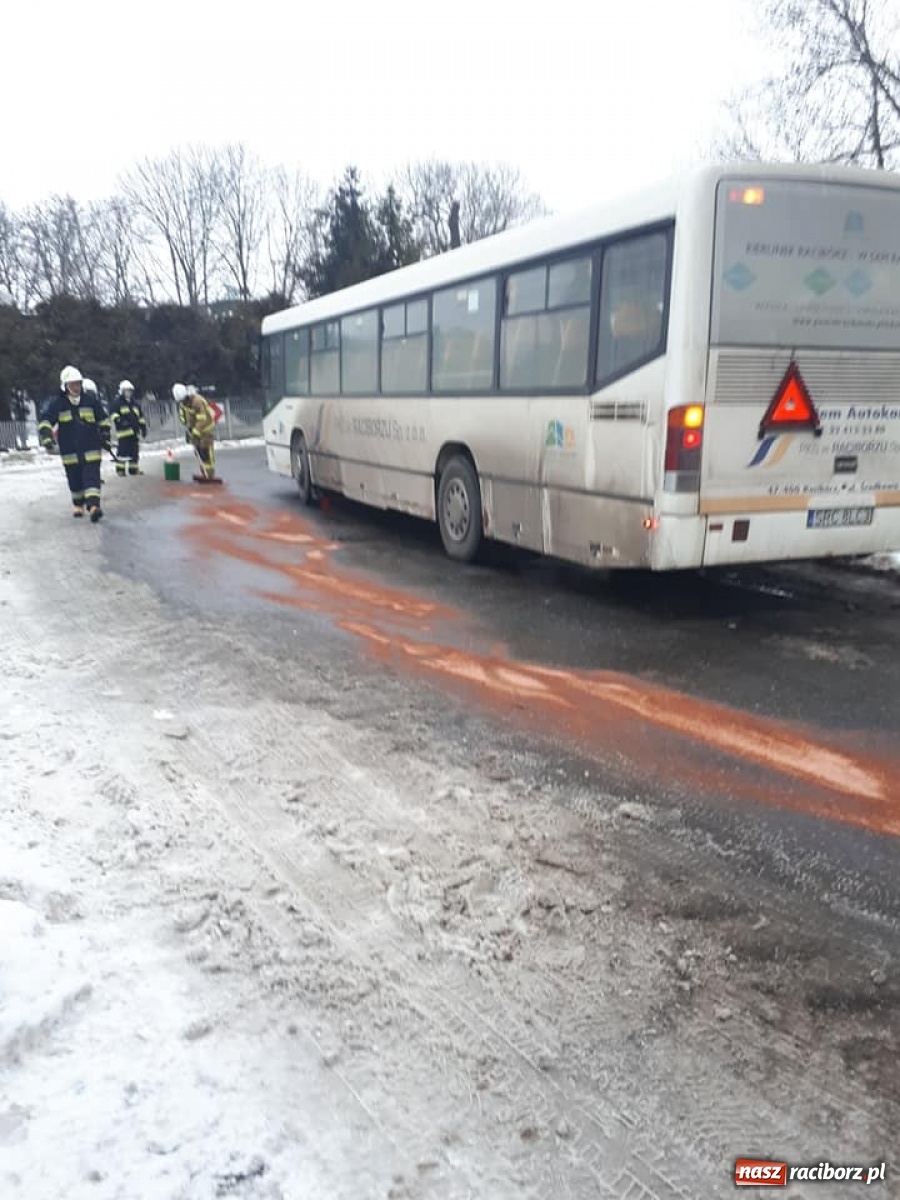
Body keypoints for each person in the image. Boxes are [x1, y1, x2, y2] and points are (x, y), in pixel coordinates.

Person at [39, 366, 111, 521]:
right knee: (75, 479)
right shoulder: (58, 403)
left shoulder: (91, 401)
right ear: (65, 386)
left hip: (91, 448)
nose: (76, 387)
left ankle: (93, 507)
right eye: (72, 384)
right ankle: (78, 505)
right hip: (70, 451)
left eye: (78, 384)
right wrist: (46, 437)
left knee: (91, 478)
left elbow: (104, 419)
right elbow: (45, 421)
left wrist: (105, 434)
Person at [172, 382, 219, 482]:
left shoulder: (197, 401)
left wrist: (195, 432)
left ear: (187, 396)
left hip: (206, 430)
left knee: (205, 451)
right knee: (198, 451)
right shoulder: (183, 404)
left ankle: (210, 475)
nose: (183, 403)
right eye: (180, 401)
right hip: (194, 430)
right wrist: (188, 430)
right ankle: (204, 473)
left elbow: (202, 419)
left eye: (183, 400)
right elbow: (185, 418)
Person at [110, 379, 147, 476]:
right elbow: (113, 414)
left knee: (134, 452)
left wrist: (143, 427)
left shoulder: (135, 404)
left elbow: (140, 417)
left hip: (134, 433)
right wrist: (120, 421)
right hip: (123, 433)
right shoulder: (117, 403)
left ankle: (133, 469)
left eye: (130, 391)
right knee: (122, 452)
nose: (129, 393)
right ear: (122, 391)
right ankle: (120, 470)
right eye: (127, 391)